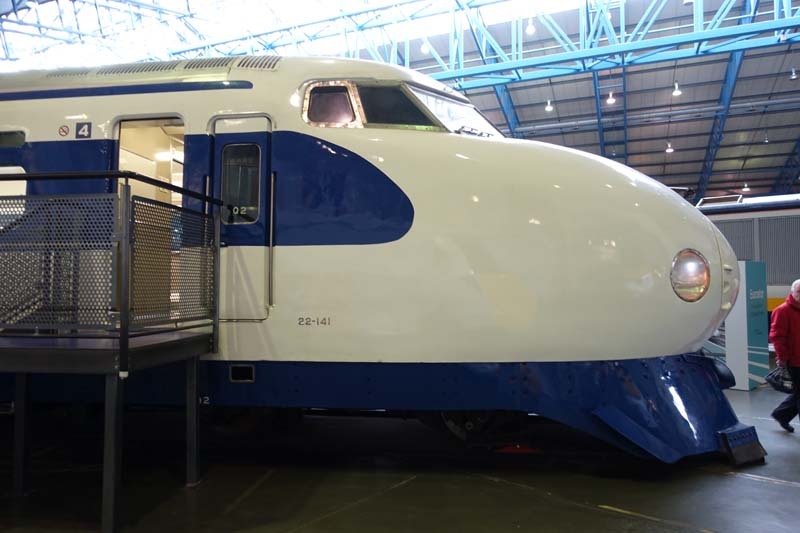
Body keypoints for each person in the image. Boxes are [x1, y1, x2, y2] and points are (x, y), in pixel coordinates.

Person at [770, 279, 800, 433]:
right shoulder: (782, 311)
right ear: (792, 292)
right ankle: (781, 415)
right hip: (794, 361)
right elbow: (777, 337)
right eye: (799, 292)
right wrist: (782, 358)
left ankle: (781, 414)